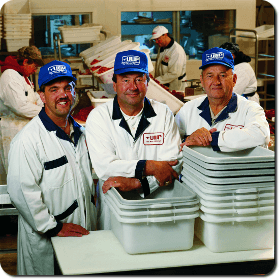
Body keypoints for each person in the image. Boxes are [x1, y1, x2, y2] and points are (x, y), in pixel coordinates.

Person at [7, 60, 97, 275]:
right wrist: (54, 227)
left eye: (68, 87)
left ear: (75, 92)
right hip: (49, 236)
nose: (63, 95)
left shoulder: (81, 133)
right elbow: (21, 193)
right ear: (42, 95)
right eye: (54, 89)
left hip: (82, 232)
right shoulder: (28, 140)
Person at [85, 50, 182, 230]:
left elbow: (172, 165)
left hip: (157, 206)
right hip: (114, 208)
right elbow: (106, 167)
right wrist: (151, 166)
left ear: (148, 82)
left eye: (139, 79)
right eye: (125, 80)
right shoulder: (99, 117)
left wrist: (139, 183)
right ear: (114, 84)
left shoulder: (163, 113)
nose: (133, 86)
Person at [175, 47, 270, 152]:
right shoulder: (188, 109)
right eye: (210, 76)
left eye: (223, 75)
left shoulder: (250, 109)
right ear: (202, 81)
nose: (216, 82)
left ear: (234, 80)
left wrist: (214, 138)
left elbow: (261, 135)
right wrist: (188, 139)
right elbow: (170, 141)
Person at [0, 46, 44, 174]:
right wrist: (47, 113)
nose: (35, 69)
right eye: (34, 65)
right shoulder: (10, 76)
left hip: (23, 127)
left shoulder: (23, 76)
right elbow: (20, 106)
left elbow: (29, 98)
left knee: (27, 170)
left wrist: (43, 97)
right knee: (16, 172)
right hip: (12, 130)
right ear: (25, 62)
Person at [150, 25, 187, 92]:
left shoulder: (176, 51)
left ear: (165, 35)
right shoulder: (162, 47)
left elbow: (174, 73)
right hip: (164, 85)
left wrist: (156, 81)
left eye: (158, 39)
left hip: (176, 87)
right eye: (155, 40)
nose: (156, 42)